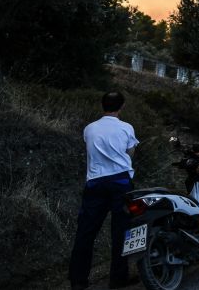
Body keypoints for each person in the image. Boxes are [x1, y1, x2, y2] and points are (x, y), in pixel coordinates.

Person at [68, 91, 139, 290]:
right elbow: (130, 152)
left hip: (95, 183)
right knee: (121, 231)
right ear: (121, 107)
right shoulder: (127, 127)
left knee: (85, 232)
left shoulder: (89, 128)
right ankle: (118, 278)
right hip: (120, 183)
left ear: (102, 106)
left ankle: (78, 280)